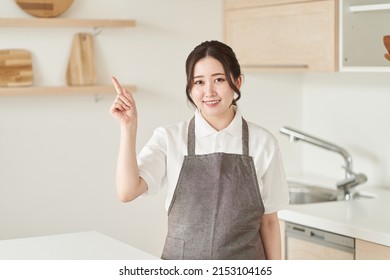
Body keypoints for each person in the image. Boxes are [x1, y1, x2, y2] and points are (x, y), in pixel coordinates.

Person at [110, 40, 289, 260]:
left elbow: (269, 222)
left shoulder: (263, 142)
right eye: (199, 82)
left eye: (219, 80)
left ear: (238, 81)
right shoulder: (170, 138)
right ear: (190, 87)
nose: (209, 91)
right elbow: (127, 191)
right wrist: (128, 127)